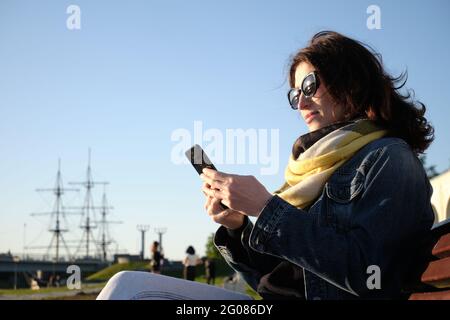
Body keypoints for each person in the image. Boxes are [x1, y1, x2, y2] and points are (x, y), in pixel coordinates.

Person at [97, 31, 435, 300]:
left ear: (351, 84)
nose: (300, 102)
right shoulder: (309, 170)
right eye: (294, 94)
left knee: (130, 291)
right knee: (125, 285)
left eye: (309, 86)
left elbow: (372, 276)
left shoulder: (390, 158)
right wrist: (236, 227)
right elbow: (271, 279)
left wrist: (266, 207)